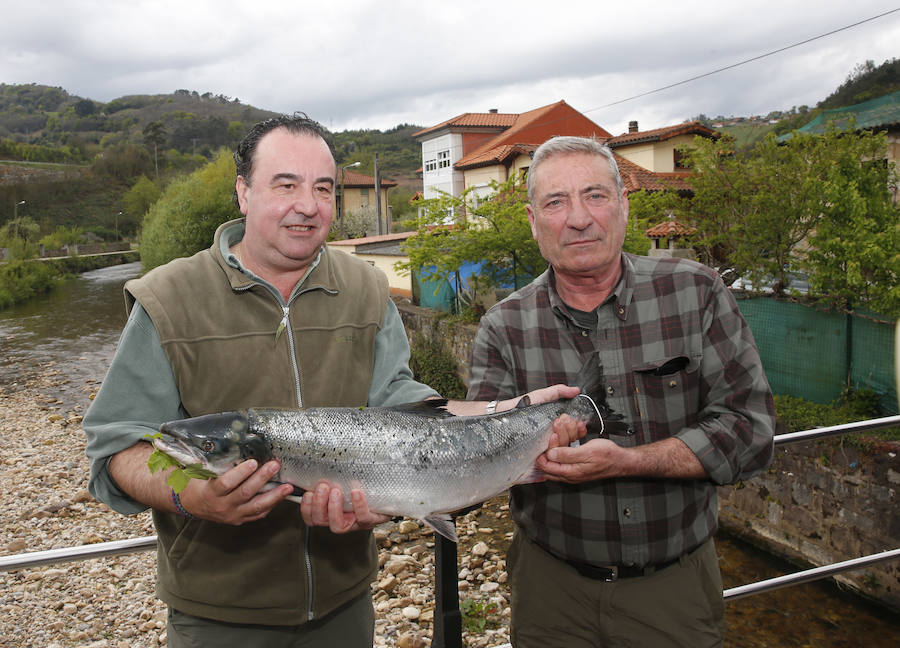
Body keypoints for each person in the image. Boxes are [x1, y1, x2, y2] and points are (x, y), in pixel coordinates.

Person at [83, 114, 583, 648]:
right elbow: (117, 446)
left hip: (346, 607)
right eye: (285, 185)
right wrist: (191, 498)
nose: (307, 205)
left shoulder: (366, 288)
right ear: (243, 192)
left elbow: (405, 408)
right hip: (219, 617)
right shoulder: (167, 299)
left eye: (322, 188)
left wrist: (505, 412)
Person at [467, 136, 776, 648]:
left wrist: (629, 461)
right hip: (551, 595)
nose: (579, 218)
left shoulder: (696, 293)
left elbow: (751, 430)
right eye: (556, 202)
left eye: (595, 195)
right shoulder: (504, 327)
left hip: (674, 590)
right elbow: (473, 453)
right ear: (532, 221)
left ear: (624, 204)